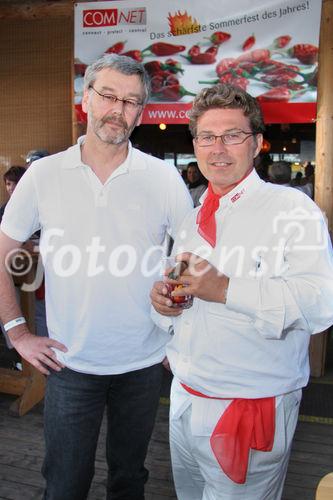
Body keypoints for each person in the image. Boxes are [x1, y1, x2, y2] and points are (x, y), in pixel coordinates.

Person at [0, 54, 192, 500]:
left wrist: (176, 319)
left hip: (144, 364)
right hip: (70, 364)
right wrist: (17, 332)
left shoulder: (163, 178)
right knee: (65, 485)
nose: (118, 109)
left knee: (129, 481)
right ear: (85, 98)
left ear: (141, 113)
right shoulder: (43, 175)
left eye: (131, 101)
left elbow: (189, 259)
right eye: (107, 95)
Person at [150, 83, 333, 500]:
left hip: (248, 406)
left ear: (257, 144)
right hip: (185, 397)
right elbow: (179, 294)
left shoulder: (292, 211)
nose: (218, 148)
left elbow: (322, 304)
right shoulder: (190, 219)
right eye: (207, 137)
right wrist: (163, 305)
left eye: (232, 135)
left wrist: (226, 289)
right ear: (195, 144)